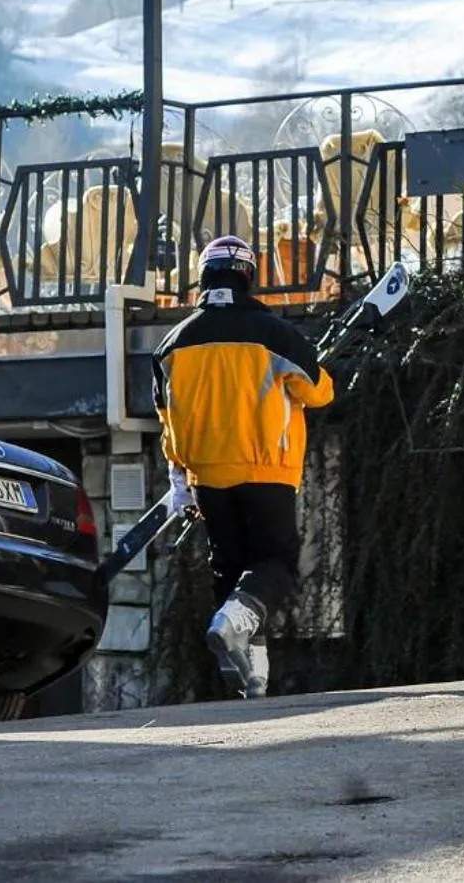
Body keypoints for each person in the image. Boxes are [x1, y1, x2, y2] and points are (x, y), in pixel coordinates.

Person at [152, 235, 334, 698]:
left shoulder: (171, 344)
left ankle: (248, 675)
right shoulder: (273, 333)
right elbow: (319, 392)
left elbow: (166, 417)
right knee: (276, 563)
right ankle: (237, 634)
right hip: (265, 469)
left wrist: (178, 477)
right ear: (248, 276)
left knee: (231, 570)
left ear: (203, 276)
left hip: (206, 476)